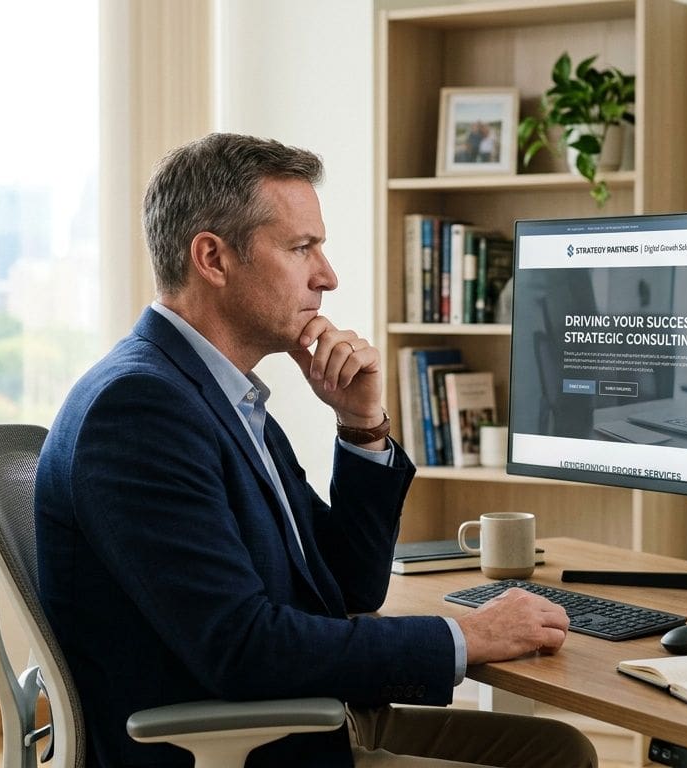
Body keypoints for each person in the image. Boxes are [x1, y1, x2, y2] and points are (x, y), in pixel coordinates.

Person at [35, 132, 597, 768]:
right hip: (237, 749)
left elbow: (347, 586)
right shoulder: (141, 410)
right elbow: (242, 649)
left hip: (294, 724)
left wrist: (361, 427)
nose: (327, 276)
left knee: (560, 749)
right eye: (302, 248)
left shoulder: (217, 393)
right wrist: (467, 636)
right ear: (213, 259)